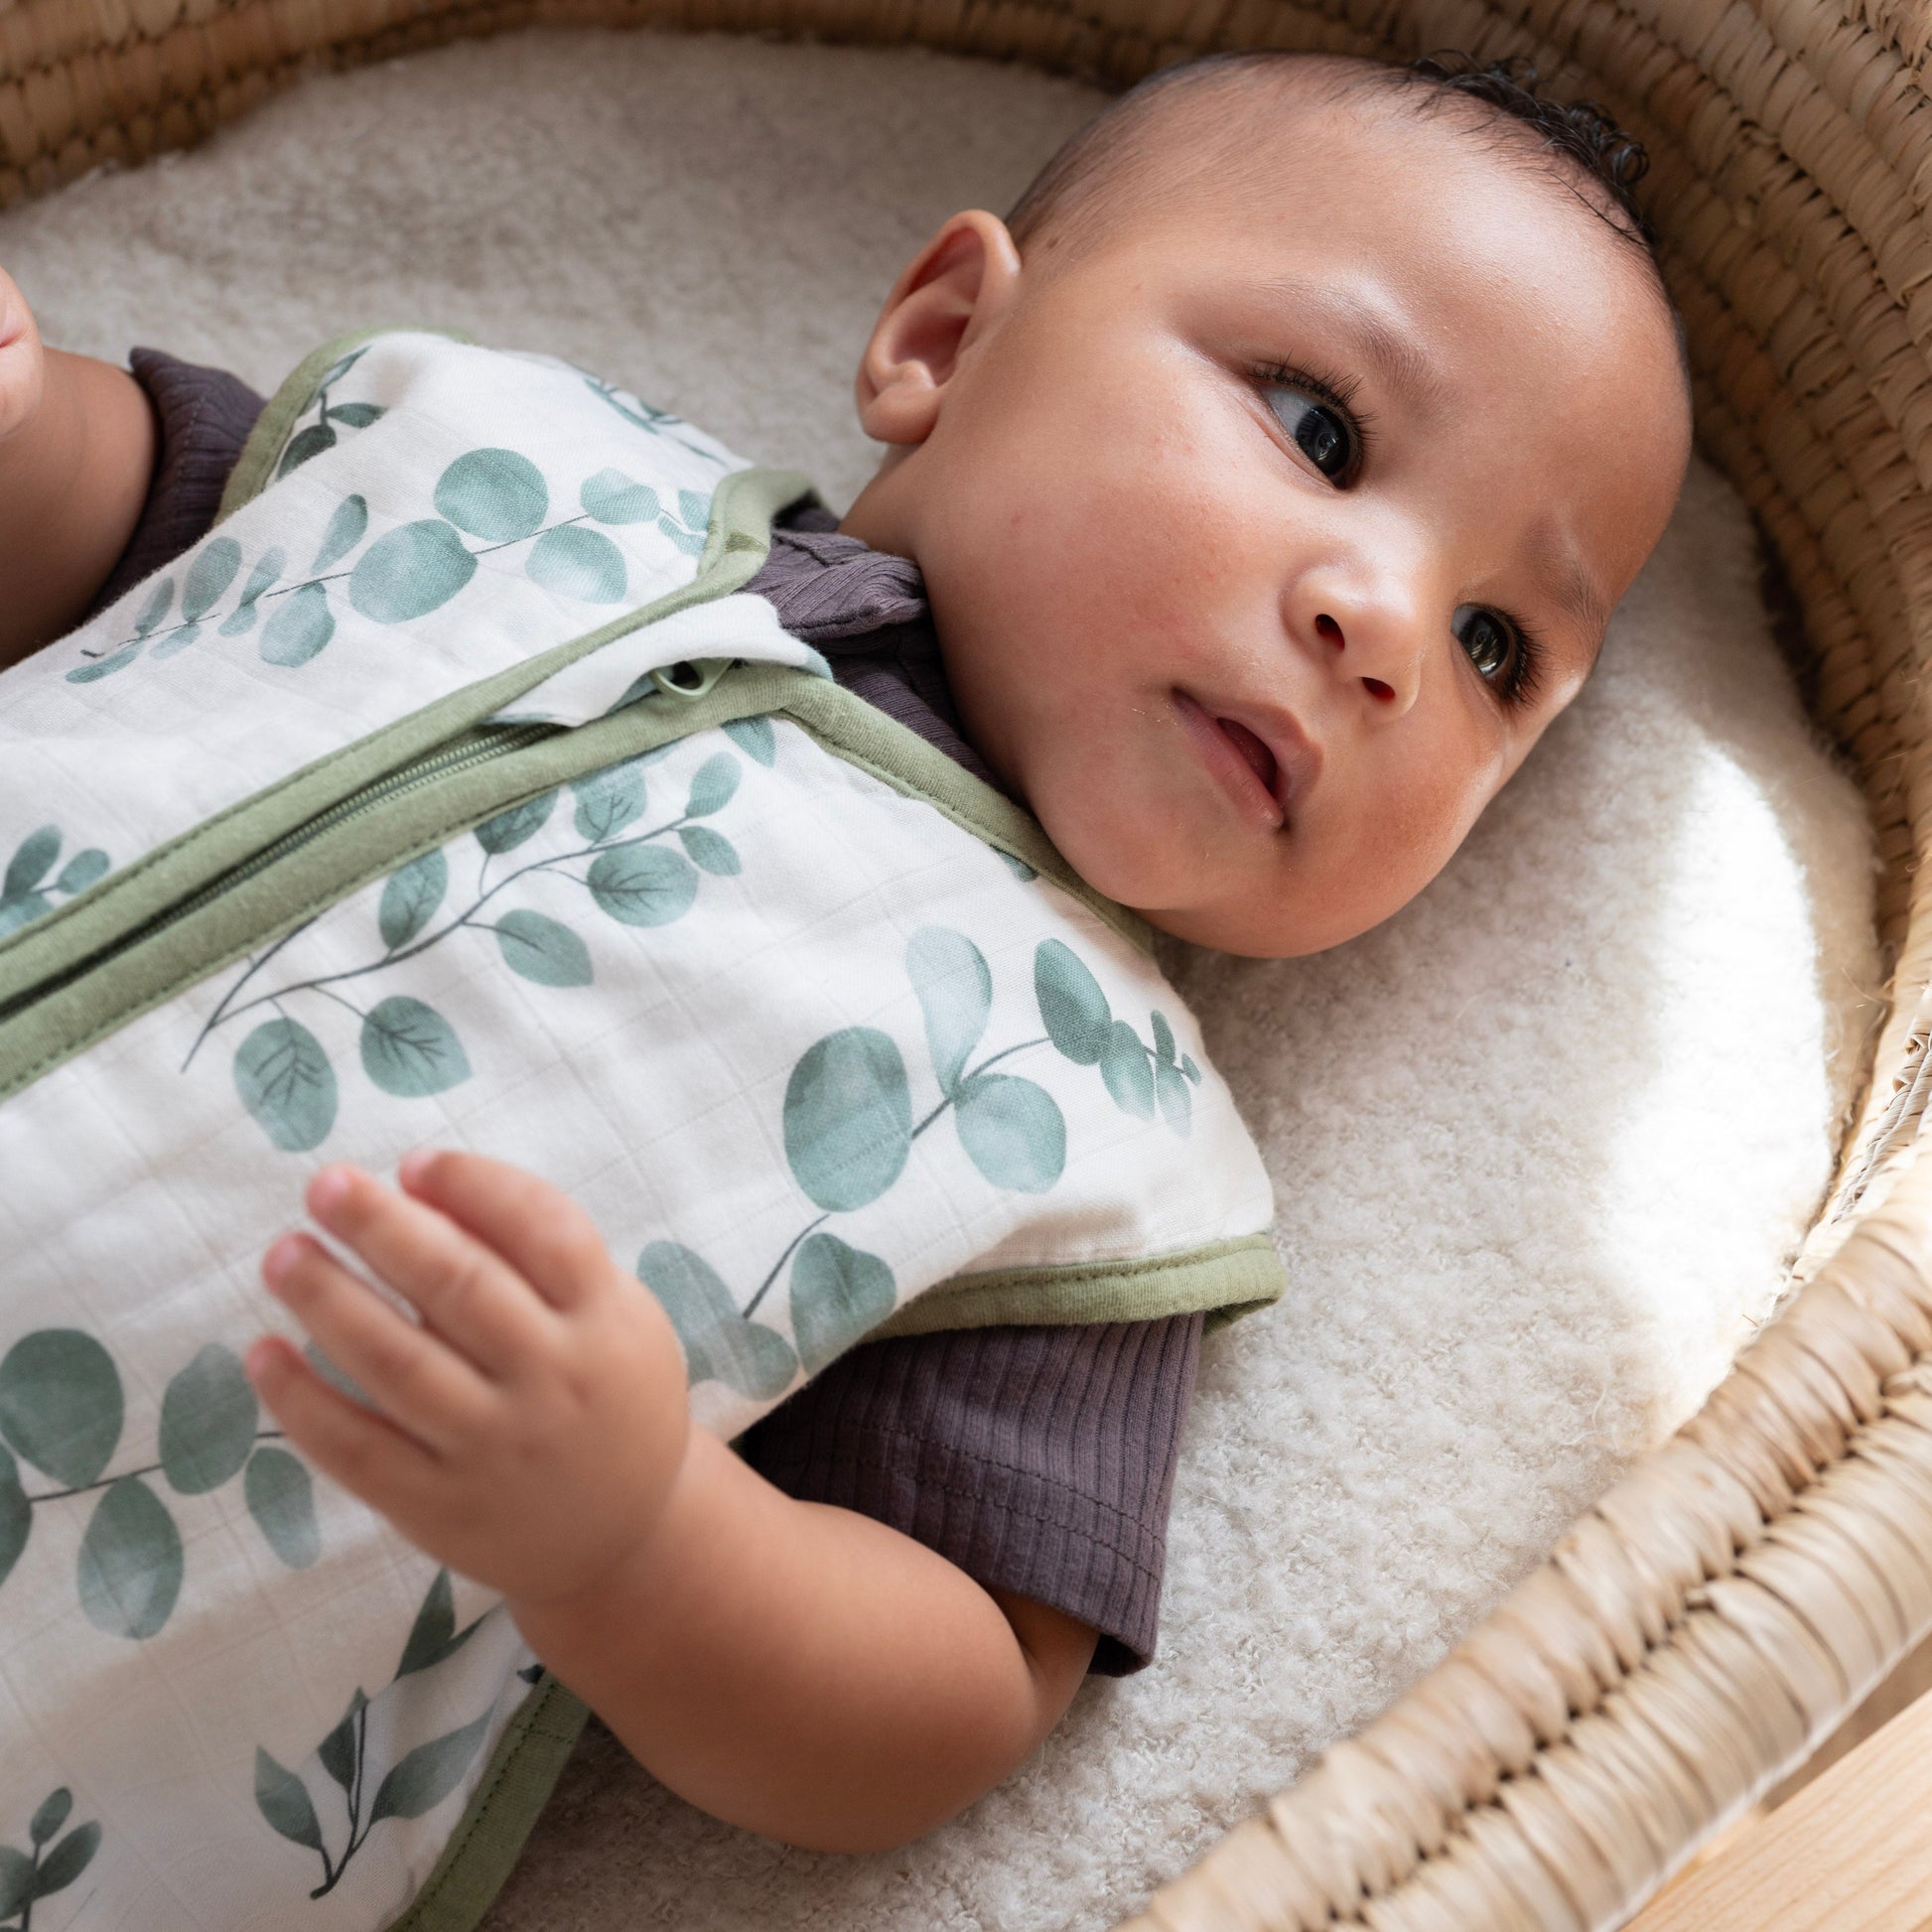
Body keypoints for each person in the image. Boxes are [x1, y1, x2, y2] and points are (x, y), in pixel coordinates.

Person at [0, 49, 1690, 1861]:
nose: (1390, 634)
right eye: (1322, 431)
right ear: (946, 341)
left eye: (1500, 648)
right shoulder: (512, 460)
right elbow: (120, 541)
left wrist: (636, 1542)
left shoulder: (1086, 1139)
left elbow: (944, 1688)